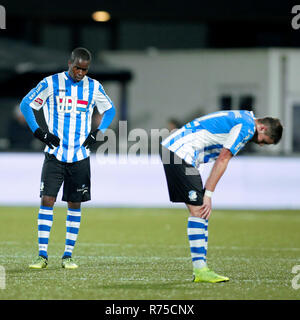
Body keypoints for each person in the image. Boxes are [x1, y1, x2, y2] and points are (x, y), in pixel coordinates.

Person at [20, 47, 116, 269]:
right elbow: (26, 104)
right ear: (69, 63)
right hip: (55, 154)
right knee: (47, 200)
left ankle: (68, 256)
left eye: (84, 69)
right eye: (77, 68)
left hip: (80, 156)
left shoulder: (93, 87)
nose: (80, 73)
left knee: (75, 202)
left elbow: (109, 110)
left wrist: (97, 132)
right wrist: (38, 131)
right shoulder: (51, 83)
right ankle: (42, 255)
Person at [160, 110, 283, 283]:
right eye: (263, 140)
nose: (260, 144)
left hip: (179, 151)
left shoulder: (244, 118)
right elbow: (223, 159)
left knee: (200, 212)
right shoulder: (247, 127)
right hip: (180, 151)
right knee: (199, 210)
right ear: (261, 127)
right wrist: (208, 194)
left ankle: (201, 269)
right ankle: (201, 270)